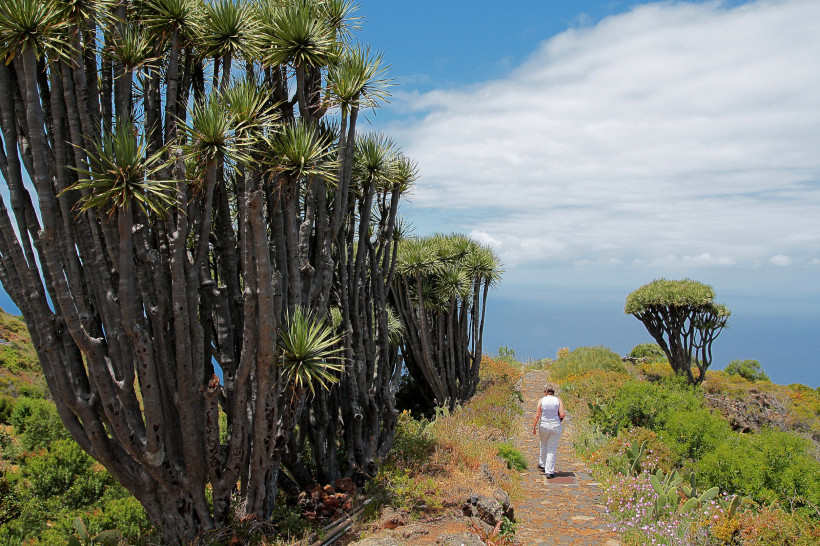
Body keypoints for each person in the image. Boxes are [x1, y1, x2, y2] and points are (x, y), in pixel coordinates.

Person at [531, 384, 566, 479]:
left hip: (544, 425)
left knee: (543, 444)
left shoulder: (542, 400)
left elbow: (537, 416)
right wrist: (558, 420)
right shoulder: (558, 400)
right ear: (553, 393)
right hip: (555, 425)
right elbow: (562, 414)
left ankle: (542, 464)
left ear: (546, 392)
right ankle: (549, 471)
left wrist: (533, 427)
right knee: (552, 448)